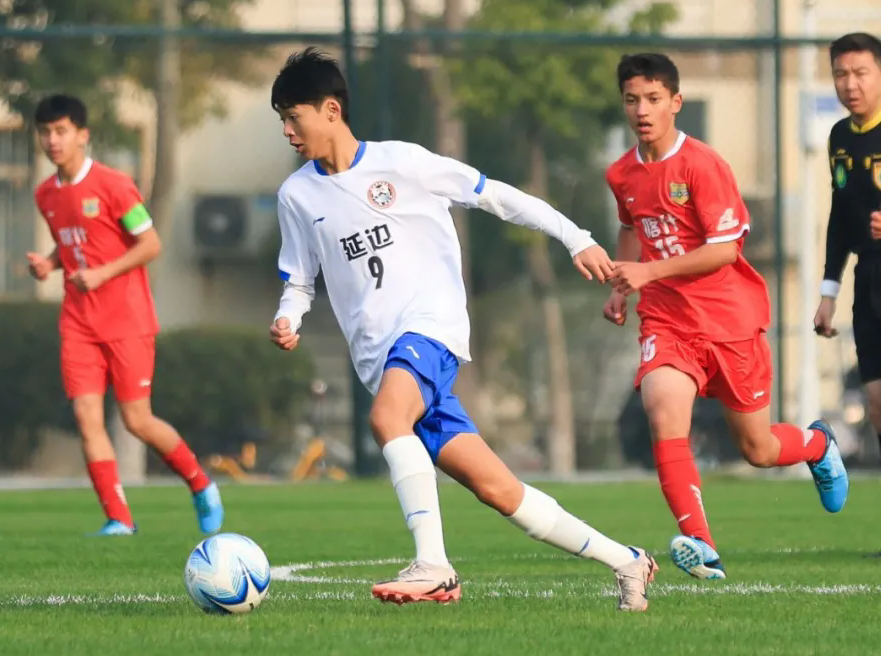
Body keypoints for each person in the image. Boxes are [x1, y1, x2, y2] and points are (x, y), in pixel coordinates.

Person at [268, 48, 657, 611]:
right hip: (382, 360)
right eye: (280, 118)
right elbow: (300, 279)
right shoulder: (296, 196)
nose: (286, 130)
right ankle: (628, 561)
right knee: (500, 490)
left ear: (331, 110)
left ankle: (434, 566)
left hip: (431, 330)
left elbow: (497, 196)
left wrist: (576, 237)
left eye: (292, 116)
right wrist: (289, 316)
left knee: (385, 419)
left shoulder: (402, 163)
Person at [603, 53, 848, 580]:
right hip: (667, 324)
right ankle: (701, 544)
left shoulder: (703, 165)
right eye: (631, 99)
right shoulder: (622, 172)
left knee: (756, 448)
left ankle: (816, 444)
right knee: (663, 411)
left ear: (675, 103)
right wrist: (623, 285)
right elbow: (630, 226)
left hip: (729, 322)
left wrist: (649, 272)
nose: (641, 110)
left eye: (652, 99)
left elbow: (723, 250)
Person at [28, 94, 224, 536]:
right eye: (45, 132)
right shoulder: (45, 194)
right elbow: (72, 242)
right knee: (86, 419)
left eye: (61, 131)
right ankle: (118, 518)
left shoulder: (115, 185)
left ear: (82, 135)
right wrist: (49, 262)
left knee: (137, 421)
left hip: (127, 321)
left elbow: (150, 243)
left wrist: (101, 275)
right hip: (78, 322)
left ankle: (200, 483)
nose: (52, 140)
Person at [814, 32, 881, 461]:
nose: (849, 84)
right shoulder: (840, 136)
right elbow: (841, 215)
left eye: (860, 73)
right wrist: (828, 292)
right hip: (869, 281)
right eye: (841, 74)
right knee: (875, 402)